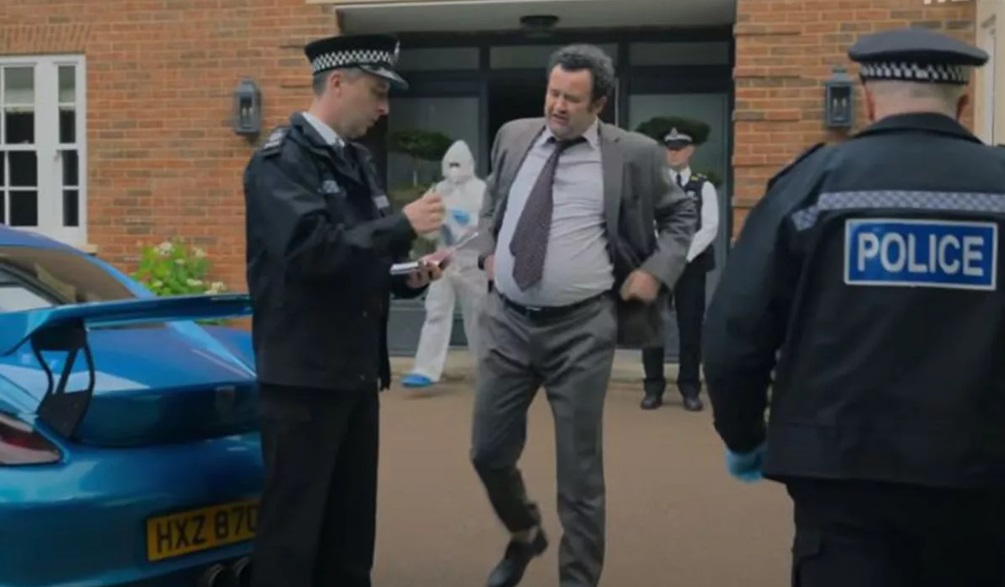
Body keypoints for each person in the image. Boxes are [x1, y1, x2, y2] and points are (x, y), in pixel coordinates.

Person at [701, 27, 1005, 586]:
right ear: (963, 105)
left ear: (867, 99)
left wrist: (744, 436)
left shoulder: (813, 186)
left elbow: (735, 332)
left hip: (840, 473)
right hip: (982, 474)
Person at [471, 44, 695, 587]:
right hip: (507, 324)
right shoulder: (514, 137)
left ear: (599, 104)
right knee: (488, 452)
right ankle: (525, 532)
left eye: (572, 99)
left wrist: (657, 270)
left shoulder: (635, 154)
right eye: (552, 93)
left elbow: (680, 214)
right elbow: (491, 204)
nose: (557, 106)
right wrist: (487, 251)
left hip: (581, 330)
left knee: (579, 476)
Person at [242, 33, 446, 587]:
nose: (385, 108)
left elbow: (362, 258)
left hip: (353, 374)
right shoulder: (281, 161)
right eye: (377, 92)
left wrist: (409, 274)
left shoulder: (357, 160)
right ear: (337, 83)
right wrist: (402, 225)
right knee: (292, 539)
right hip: (303, 379)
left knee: (350, 536)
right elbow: (311, 251)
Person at [636, 120, 720, 412]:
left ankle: (690, 388)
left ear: (690, 151)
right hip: (659, 265)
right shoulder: (654, 184)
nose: (673, 153)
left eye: (679, 147)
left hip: (690, 267)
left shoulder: (702, 185)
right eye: (669, 148)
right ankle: (653, 388)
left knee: (690, 327)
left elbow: (710, 227)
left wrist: (682, 256)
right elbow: (647, 222)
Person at [401, 140, 488, 388]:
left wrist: (468, 221)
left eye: (458, 165)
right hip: (443, 258)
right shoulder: (438, 190)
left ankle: (487, 369)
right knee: (436, 311)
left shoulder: (481, 190)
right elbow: (424, 225)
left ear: (469, 164)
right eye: (450, 165)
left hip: (472, 261)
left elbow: (489, 225)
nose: (453, 170)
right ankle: (425, 369)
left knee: (478, 315)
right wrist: (436, 225)